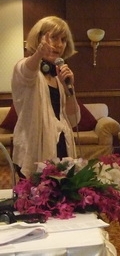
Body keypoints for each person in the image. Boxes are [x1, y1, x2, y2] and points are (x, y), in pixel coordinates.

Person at [11, 16, 80, 178]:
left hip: (62, 147)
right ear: (38, 39)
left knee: (63, 201)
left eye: (63, 40)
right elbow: (27, 71)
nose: (59, 44)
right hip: (35, 149)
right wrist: (39, 54)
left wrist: (69, 89)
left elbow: (73, 119)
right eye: (54, 37)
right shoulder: (25, 67)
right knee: (35, 200)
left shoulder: (58, 77)